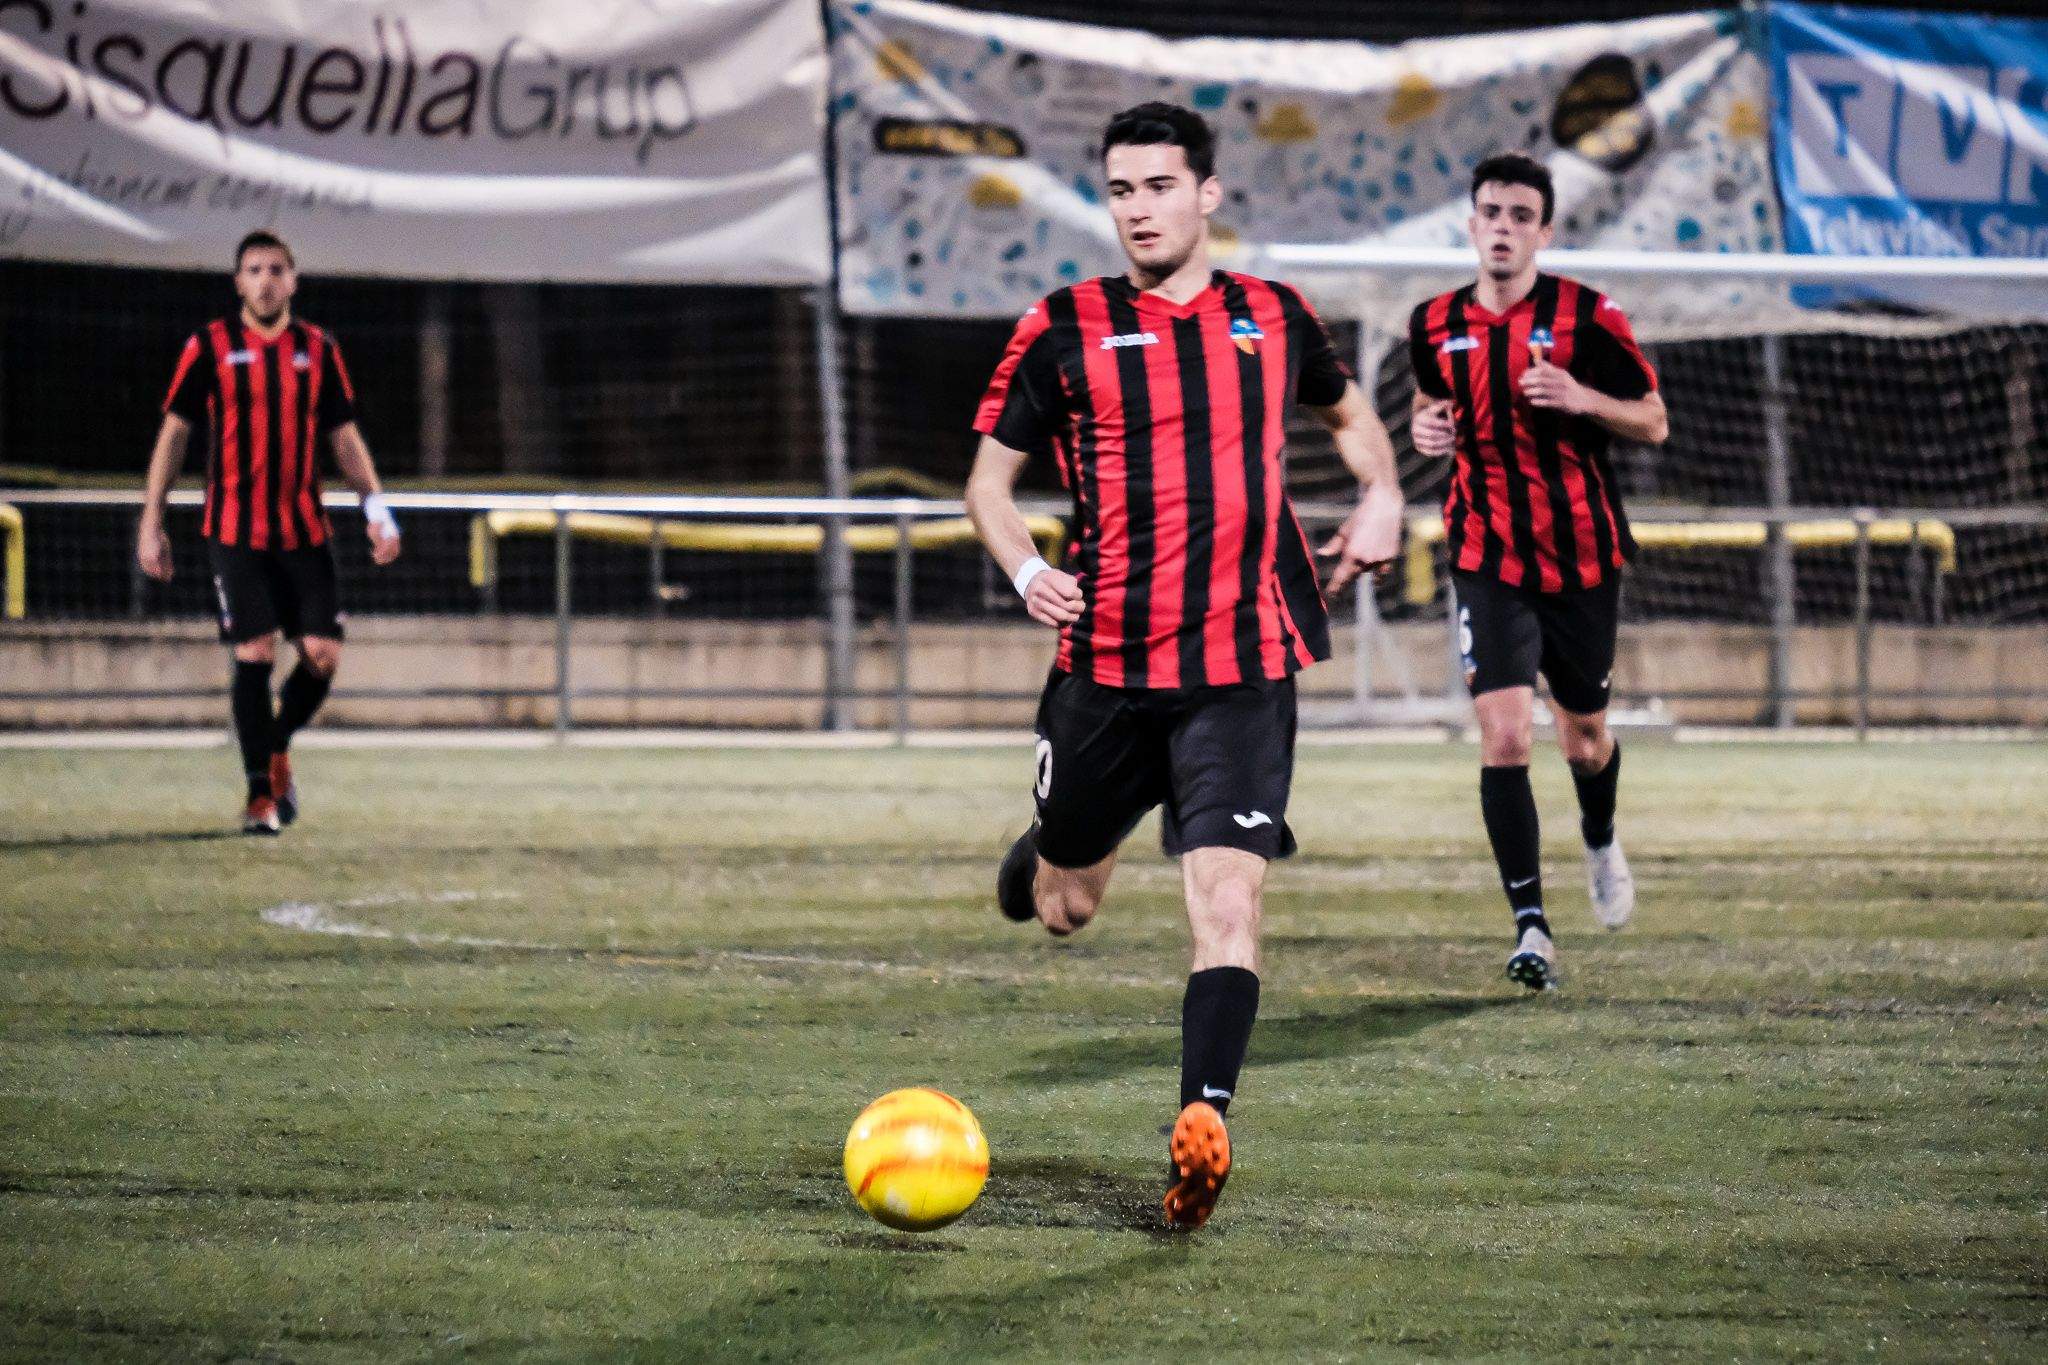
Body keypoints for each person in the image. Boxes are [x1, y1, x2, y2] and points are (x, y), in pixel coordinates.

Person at [964, 102, 1404, 1229]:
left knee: (1227, 902)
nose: (1137, 209)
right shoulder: (1061, 326)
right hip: (1106, 666)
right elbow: (986, 487)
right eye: (1119, 190)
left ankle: (1201, 1125)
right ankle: (1048, 849)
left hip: (1240, 665)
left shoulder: (1271, 315)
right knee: (1066, 906)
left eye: (1158, 186)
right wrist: (1024, 575)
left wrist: (1385, 492)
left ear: (1206, 194)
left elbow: (1352, 422)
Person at [1407, 153, 1669, 991]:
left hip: (1584, 559)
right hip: (1487, 554)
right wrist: (1425, 431)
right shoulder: (1433, 321)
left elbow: (1654, 421)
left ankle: (1599, 835)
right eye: (1492, 211)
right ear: (1472, 222)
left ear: (1545, 232)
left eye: (1522, 215)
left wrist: (1584, 398)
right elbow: (1427, 402)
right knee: (1507, 735)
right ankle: (1532, 926)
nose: (1505, 228)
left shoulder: (1590, 317)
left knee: (1584, 740)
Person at [135, 230, 401, 835]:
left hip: (304, 533)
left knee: (323, 656)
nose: (265, 280)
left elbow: (344, 438)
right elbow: (173, 434)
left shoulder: (318, 349)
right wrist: (152, 521)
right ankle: (260, 794)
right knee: (254, 653)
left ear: (294, 279)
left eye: (276, 269)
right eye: (253, 270)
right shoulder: (208, 346)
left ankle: (275, 746)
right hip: (234, 534)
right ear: (238, 282)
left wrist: (378, 511)